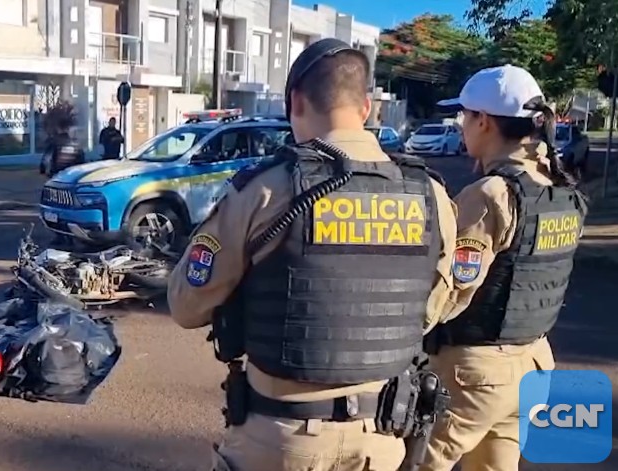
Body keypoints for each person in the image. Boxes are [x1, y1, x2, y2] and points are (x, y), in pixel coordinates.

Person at [167, 38, 458, 471]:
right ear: (366, 108)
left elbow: (186, 305)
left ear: (297, 102)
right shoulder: (430, 195)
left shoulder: (266, 190)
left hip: (279, 442)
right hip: (380, 441)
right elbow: (434, 307)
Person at [421, 65, 587, 471]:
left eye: (463, 116)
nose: (460, 126)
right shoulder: (560, 189)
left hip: (475, 377)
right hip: (533, 367)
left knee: (413, 462)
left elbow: (448, 292)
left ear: (483, 120)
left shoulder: (490, 195)